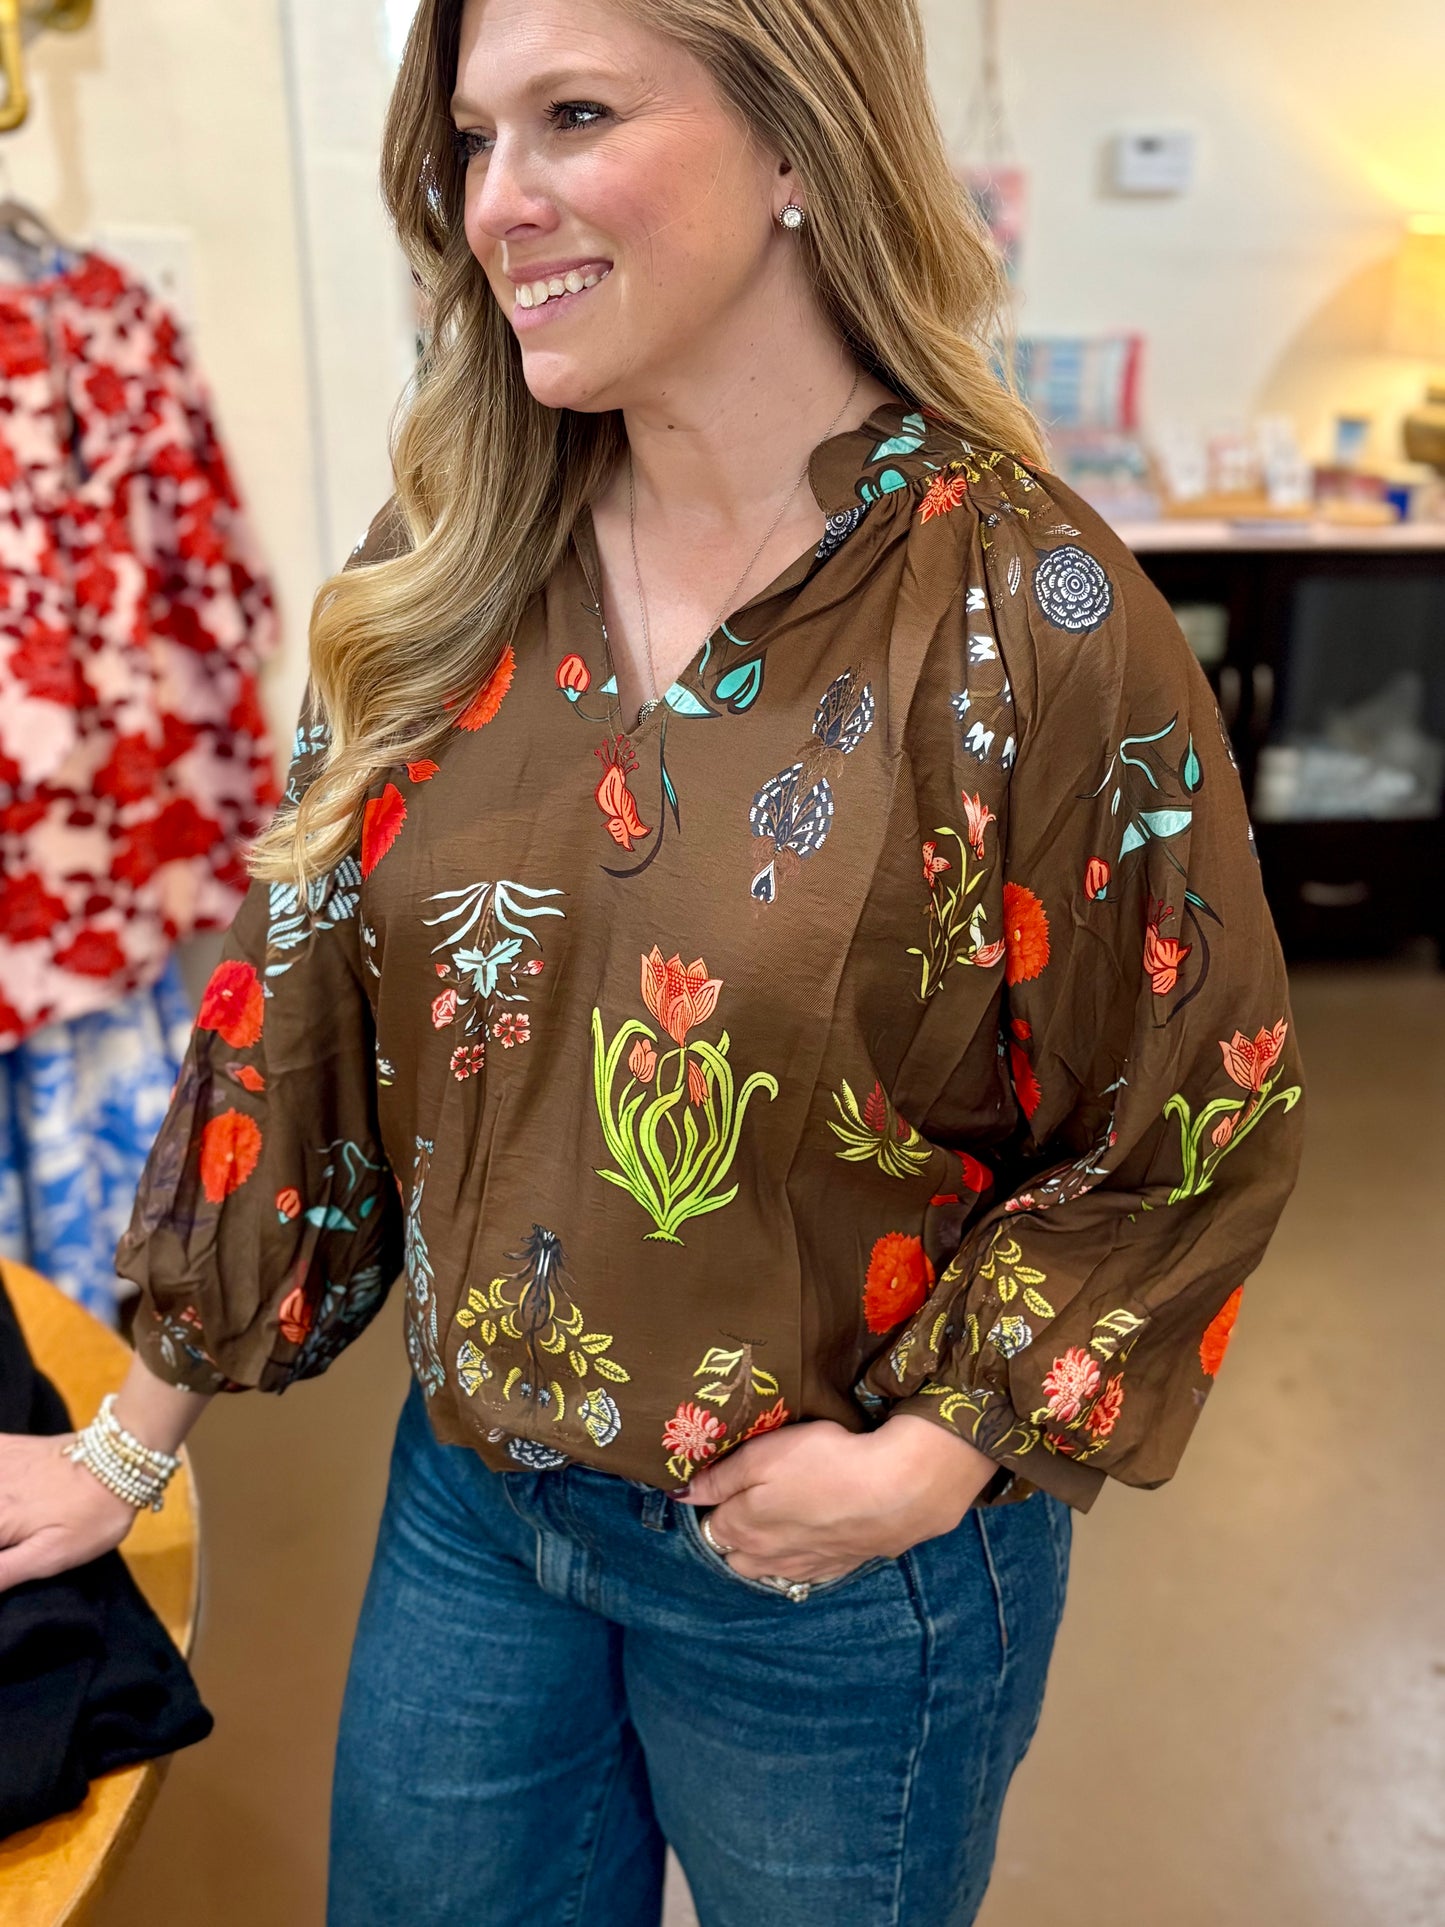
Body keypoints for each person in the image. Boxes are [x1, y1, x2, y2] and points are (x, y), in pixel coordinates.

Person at [0, 0, 1306, 1920]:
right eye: (469, 140)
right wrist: (133, 1430)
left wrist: (940, 1456)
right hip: (475, 1509)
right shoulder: (446, 566)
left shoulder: (1023, 611)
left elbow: (1191, 1108)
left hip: (833, 1575)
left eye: (574, 118)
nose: (494, 201)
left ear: (798, 148)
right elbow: (296, 1015)